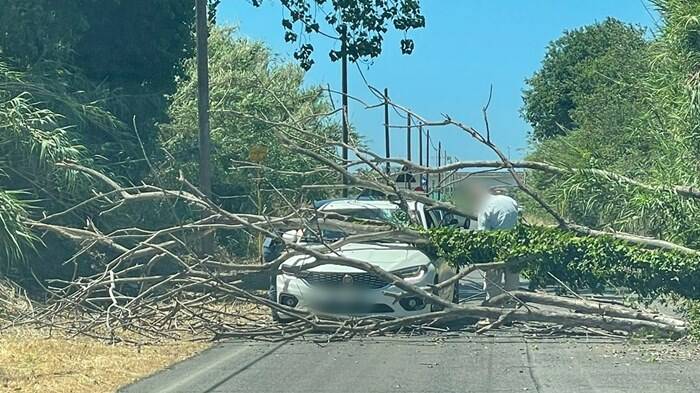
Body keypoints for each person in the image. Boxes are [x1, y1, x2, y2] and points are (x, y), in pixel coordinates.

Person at [475, 186, 520, 301]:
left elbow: (483, 232)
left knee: (493, 280)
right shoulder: (511, 201)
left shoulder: (485, 205)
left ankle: (493, 312)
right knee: (512, 277)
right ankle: (511, 309)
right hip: (514, 243)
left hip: (494, 246)